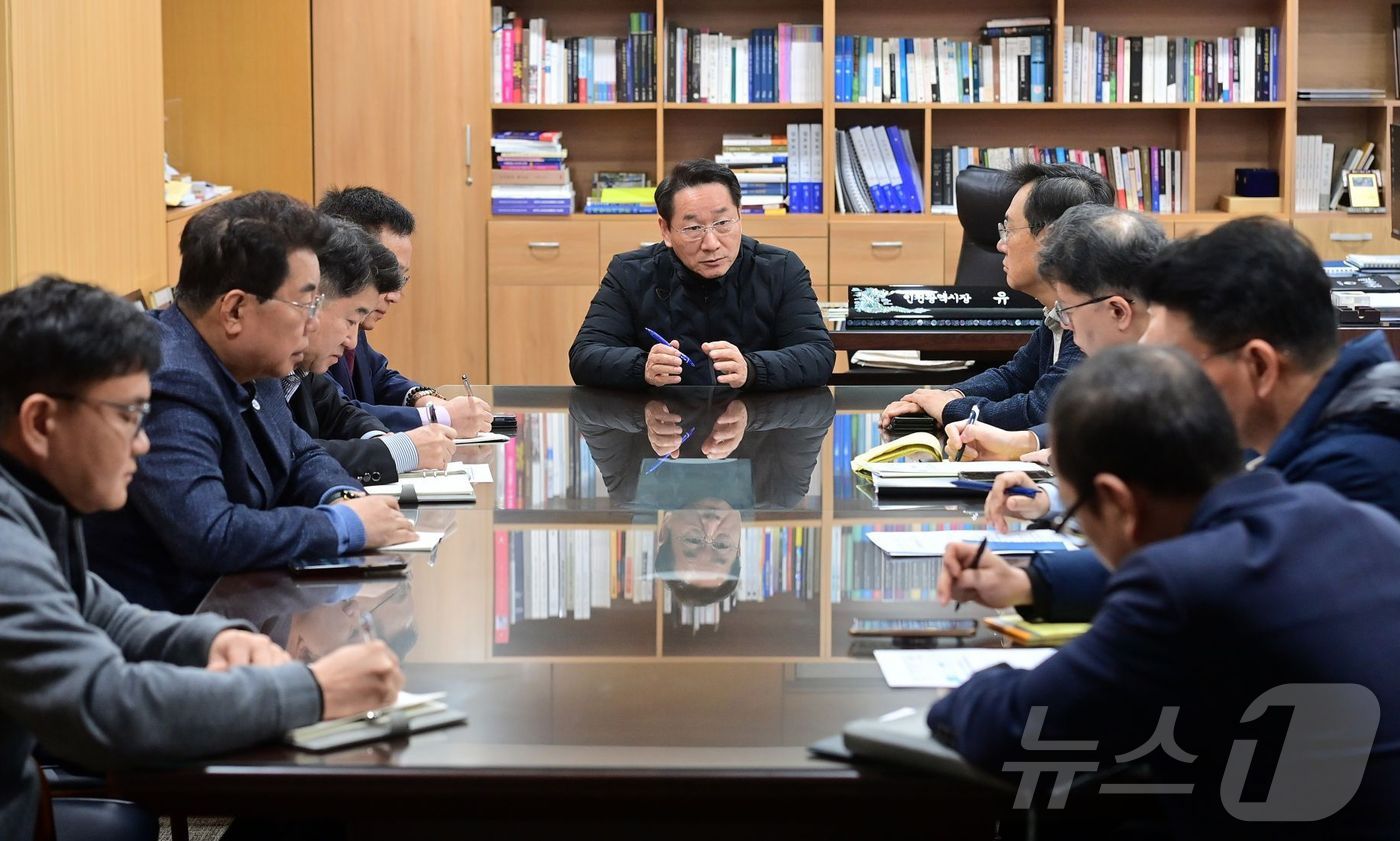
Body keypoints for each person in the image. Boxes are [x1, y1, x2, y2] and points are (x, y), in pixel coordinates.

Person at [928, 345, 1400, 837]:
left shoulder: (1178, 586)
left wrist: (962, 691)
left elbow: (1013, 730)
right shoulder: (1359, 522)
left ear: (1116, 501)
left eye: (1075, 516)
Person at [0, 277, 405, 841]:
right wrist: (311, 692)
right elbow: (107, 707)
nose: (144, 443)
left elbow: (102, 613)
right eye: (128, 416)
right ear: (41, 422)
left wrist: (211, 641)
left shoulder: (30, 497)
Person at [946, 216, 1400, 623]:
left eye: (1182, 365)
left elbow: (1209, 572)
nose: (1168, 387)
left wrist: (1036, 582)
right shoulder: (1317, 423)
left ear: (1259, 367)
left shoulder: (1356, 466)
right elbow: (1203, 547)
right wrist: (1033, 581)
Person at [84, 191, 418, 614]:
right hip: (178, 629)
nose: (313, 322)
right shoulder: (170, 382)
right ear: (235, 311)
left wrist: (343, 499)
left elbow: (301, 454)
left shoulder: (252, 363)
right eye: (305, 303)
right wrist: (343, 527)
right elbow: (211, 533)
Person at [879, 162, 1112, 430]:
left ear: (1052, 237)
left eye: (1009, 230)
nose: (1000, 245)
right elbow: (1013, 377)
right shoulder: (1060, 310)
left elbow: (1041, 411)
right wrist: (947, 396)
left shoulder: (1096, 316)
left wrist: (948, 408)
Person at [569, 159, 835, 391]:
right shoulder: (629, 273)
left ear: (740, 216)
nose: (711, 243)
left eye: (722, 223)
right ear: (665, 230)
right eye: (693, 227)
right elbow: (584, 356)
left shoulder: (781, 269)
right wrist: (642, 367)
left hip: (759, 432)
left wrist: (752, 369)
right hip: (663, 436)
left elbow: (818, 356)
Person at [943, 204, 1165, 461]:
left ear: (1118, 311)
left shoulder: (1188, 379)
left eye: (1068, 311)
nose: (1066, 325)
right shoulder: (1136, 364)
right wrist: (1021, 443)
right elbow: (1103, 428)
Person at [286, 218, 455, 485]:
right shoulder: (256, 365)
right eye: (350, 321)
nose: (352, 340)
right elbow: (284, 457)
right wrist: (398, 451)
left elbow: (338, 411)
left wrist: (384, 440)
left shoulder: (299, 362)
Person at [318, 186, 492, 437]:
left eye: (402, 279)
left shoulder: (355, 321)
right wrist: (440, 417)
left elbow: (378, 377)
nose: (395, 295)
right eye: (386, 275)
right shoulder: (315, 331)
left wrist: (427, 400)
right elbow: (337, 413)